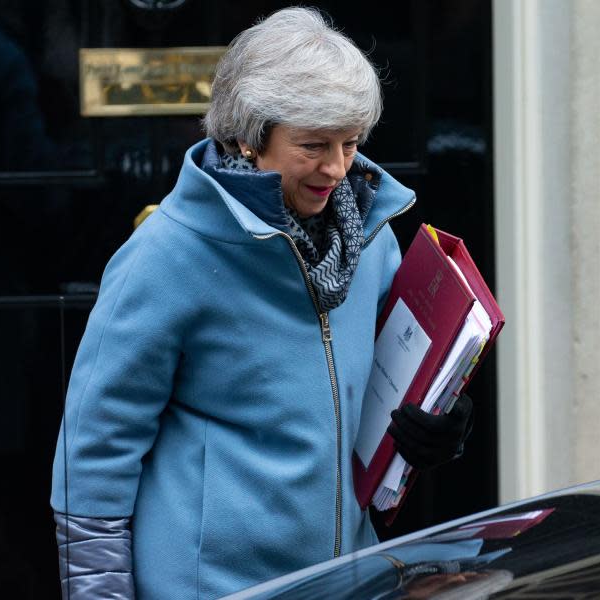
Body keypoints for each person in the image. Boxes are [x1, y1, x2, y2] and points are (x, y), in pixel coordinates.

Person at [49, 7, 473, 599]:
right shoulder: (165, 255)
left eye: (350, 144)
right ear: (247, 137)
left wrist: (436, 422)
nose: (338, 169)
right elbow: (92, 459)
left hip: (344, 581)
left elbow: (384, 383)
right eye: (313, 145)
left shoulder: (370, 236)